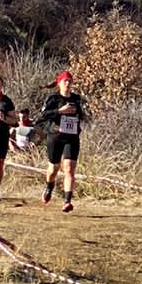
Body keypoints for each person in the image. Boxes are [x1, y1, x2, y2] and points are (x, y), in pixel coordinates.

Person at [38, 71, 85, 214]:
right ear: (59, 83)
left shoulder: (77, 98)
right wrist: (59, 111)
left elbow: (80, 113)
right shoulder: (53, 98)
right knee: (53, 168)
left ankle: (67, 201)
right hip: (55, 136)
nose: (68, 83)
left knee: (69, 169)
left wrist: (84, 116)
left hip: (72, 137)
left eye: (70, 81)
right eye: (65, 81)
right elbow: (43, 115)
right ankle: (49, 187)